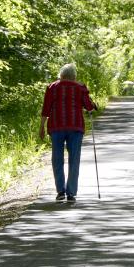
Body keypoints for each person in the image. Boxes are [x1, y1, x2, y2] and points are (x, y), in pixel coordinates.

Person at [39, 63, 97, 203]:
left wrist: (41, 127)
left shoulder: (52, 87)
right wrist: (93, 104)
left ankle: (60, 191)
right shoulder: (80, 87)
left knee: (57, 159)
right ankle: (71, 193)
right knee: (74, 159)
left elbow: (46, 109)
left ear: (61, 75)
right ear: (74, 76)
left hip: (56, 126)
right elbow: (88, 107)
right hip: (75, 127)